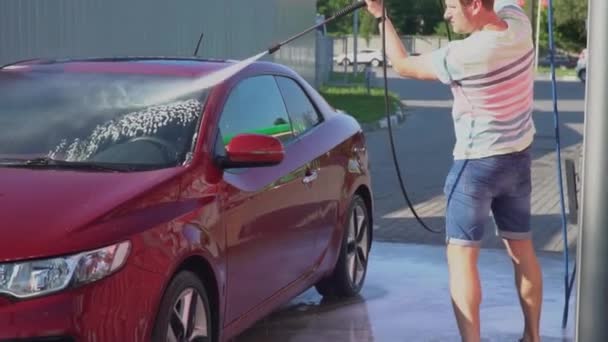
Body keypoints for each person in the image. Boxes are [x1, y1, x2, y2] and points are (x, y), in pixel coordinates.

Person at [363, 1, 543, 341]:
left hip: (476, 167)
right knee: (522, 251)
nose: (446, 14)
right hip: (518, 161)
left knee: (461, 260)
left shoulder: (465, 54)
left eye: (450, 7)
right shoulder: (520, 25)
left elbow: (402, 65)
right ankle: (533, 337)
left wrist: (381, 15)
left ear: (474, 5)